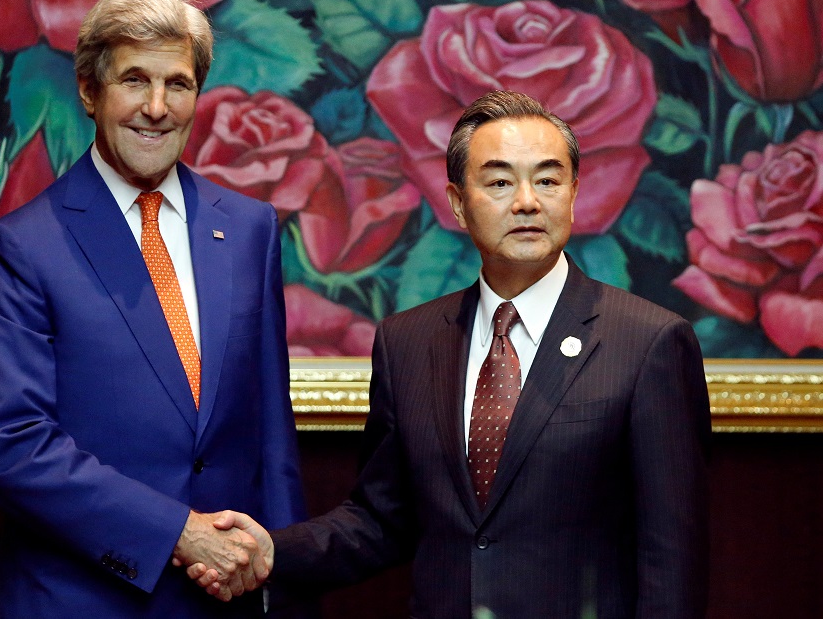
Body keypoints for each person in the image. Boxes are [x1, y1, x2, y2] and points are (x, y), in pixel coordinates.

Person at [193, 90, 711, 617]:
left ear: (574, 195)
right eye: (500, 181)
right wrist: (271, 552)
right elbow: (382, 520)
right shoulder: (408, 343)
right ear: (459, 203)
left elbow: (670, 558)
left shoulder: (648, 344)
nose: (528, 201)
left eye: (549, 180)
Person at [0, 0, 305, 617]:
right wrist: (180, 533)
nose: (157, 107)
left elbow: (271, 439)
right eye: (134, 81)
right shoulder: (22, 247)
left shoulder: (250, 229)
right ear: (90, 92)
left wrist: (283, 587)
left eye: (177, 84)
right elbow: (10, 443)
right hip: (82, 600)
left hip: (226, 603)